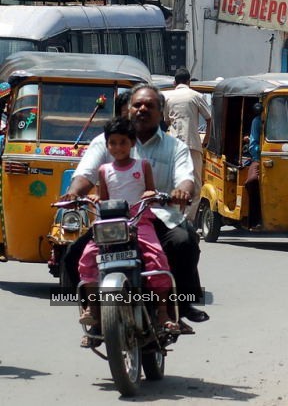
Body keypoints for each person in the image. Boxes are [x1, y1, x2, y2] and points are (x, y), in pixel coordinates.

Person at [64, 84, 208, 328]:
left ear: (161, 113)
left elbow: (187, 178)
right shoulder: (105, 142)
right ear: (128, 110)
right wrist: (73, 194)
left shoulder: (175, 147)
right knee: (72, 254)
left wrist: (182, 191)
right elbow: (85, 174)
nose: (143, 109)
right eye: (137, 105)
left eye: (150, 105)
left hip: (157, 217)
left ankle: (179, 306)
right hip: (113, 220)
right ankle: (94, 312)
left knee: (184, 243)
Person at [78, 117, 179, 342]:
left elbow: (150, 193)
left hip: (139, 221)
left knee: (157, 258)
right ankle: (93, 310)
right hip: (111, 225)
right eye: (112, 143)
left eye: (122, 142)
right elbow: (104, 200)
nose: (117, 147)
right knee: (87, 258)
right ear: (107, 145)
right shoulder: (103, 170)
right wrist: (94, 198)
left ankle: (163, 312)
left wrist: (152, 195)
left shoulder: (142, 166)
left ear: (132, 143)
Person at [163, 68, 212, 222]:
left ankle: (174, 217)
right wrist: (207, 139)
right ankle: (187, 220)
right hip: (193, 145)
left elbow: (166, 121)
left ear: (174, 82)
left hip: (172, 146)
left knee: (172, 183)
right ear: (189, 82)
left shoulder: (167, 97)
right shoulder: (196, 95)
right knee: (196, 186)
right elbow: (210, 119)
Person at [245, 102, 264, 228]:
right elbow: (253, 146)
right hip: (260, 159)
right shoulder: (258, 121)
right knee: (252, 182)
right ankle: (255, 219)